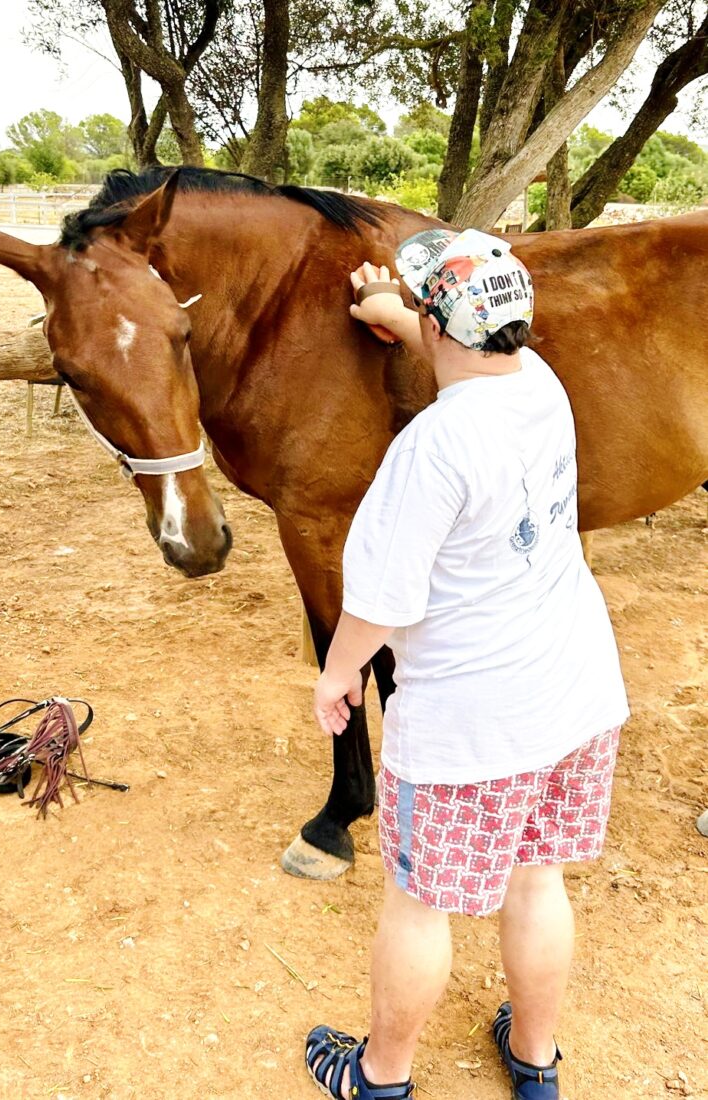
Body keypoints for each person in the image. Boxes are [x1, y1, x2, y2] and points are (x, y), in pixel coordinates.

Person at [304, 228, 629, 1100]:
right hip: (576, 688)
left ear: (439, 327)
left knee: (419, 903)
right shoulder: (541, 382)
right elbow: (460, 346)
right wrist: (395, 315)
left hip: (471, 722)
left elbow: (379, 601)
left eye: (419, 309)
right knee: (537, 878)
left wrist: (337, 676)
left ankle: (380, 1077)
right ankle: (534, 1061)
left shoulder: (432, 448)